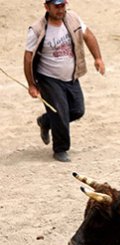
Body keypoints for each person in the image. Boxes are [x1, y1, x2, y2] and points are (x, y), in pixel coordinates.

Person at [24, 0, 105, 162]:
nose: (61, 10)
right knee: (60, 113)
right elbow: (28, 58)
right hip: (48, 78)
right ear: (47, 7)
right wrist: (31, 84)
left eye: (63, 5)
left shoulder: (73, 19)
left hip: (71, 76)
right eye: (56, 6)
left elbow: (88, 35)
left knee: (77, 110)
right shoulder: (37, 29)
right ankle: (60, 149)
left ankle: (46, 121)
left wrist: (98, 58)